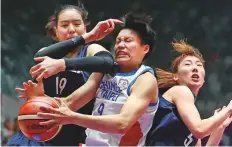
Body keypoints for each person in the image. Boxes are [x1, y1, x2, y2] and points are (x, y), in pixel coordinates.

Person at [17, 12, 159, 146]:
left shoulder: (145, 79)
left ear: (145, 48)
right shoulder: (104, 72)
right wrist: (41, 99)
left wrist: (72, 117)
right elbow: (69, 103)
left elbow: (122, 124)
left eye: (128, 41)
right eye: (118, 41)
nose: (121, 45)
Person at [7, 2, 122, 146]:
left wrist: (64, 64)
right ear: (55, 30)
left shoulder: (91, 49)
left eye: (77, 24)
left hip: (73, 137)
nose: (72, 29)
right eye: (65, 25)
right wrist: (37, 98)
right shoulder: (48, 53)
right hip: (39, 134)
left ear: (85, 27)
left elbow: (107, 62)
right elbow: (40, 55)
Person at [145, 41, 232, 146]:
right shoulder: (180, 91)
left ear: (204, 78)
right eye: (187, 64)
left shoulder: (191, 117)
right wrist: (229, 109)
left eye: (199, 65)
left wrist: (220, 127)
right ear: (176, 76)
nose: (195, 68)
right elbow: (200, 129)